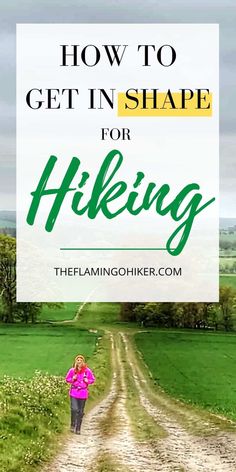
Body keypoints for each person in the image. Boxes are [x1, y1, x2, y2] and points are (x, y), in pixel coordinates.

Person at [65, 354, 95, 434]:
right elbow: (67, 379)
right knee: (74, 409)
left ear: (83, 362)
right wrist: (72, 379)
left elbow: (92, 379)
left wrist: (87, 381)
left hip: (83, 393)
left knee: (80, 411)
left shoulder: (87, 371)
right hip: (74, 392)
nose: (79, 362)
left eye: (80, 361)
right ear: (75, 362)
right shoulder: (72, 371)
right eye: (77, 360)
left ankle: (78, 428)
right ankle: (72, 425)